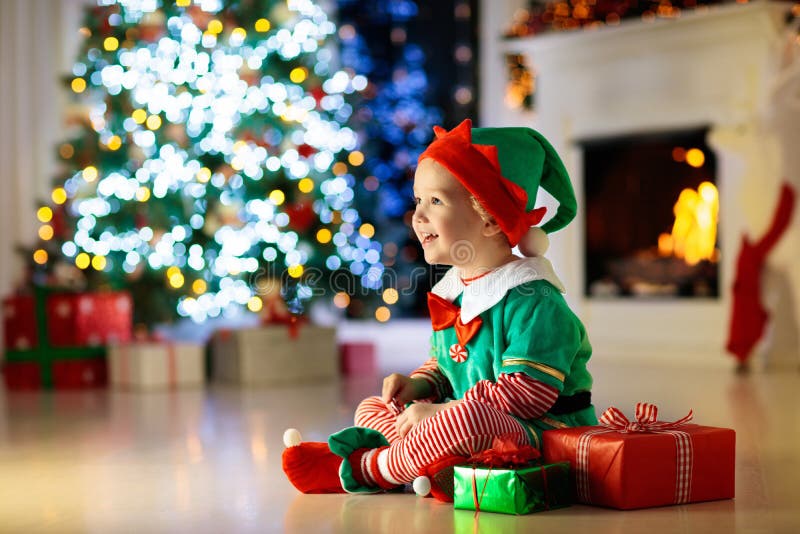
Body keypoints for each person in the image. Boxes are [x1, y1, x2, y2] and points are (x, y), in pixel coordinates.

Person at [282, 119, 597, 499]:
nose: (418, 216)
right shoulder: (456, 293)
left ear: (490, 218)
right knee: (374, 407)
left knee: (463, 421)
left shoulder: (535, 301)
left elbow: (526, 397)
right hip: (471, 418)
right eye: (418, 201)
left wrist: (440, 414)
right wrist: (417, 385)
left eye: (436, 201)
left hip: (540, 431)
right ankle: (430, 467)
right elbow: (446, 366)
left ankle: (368, 468)